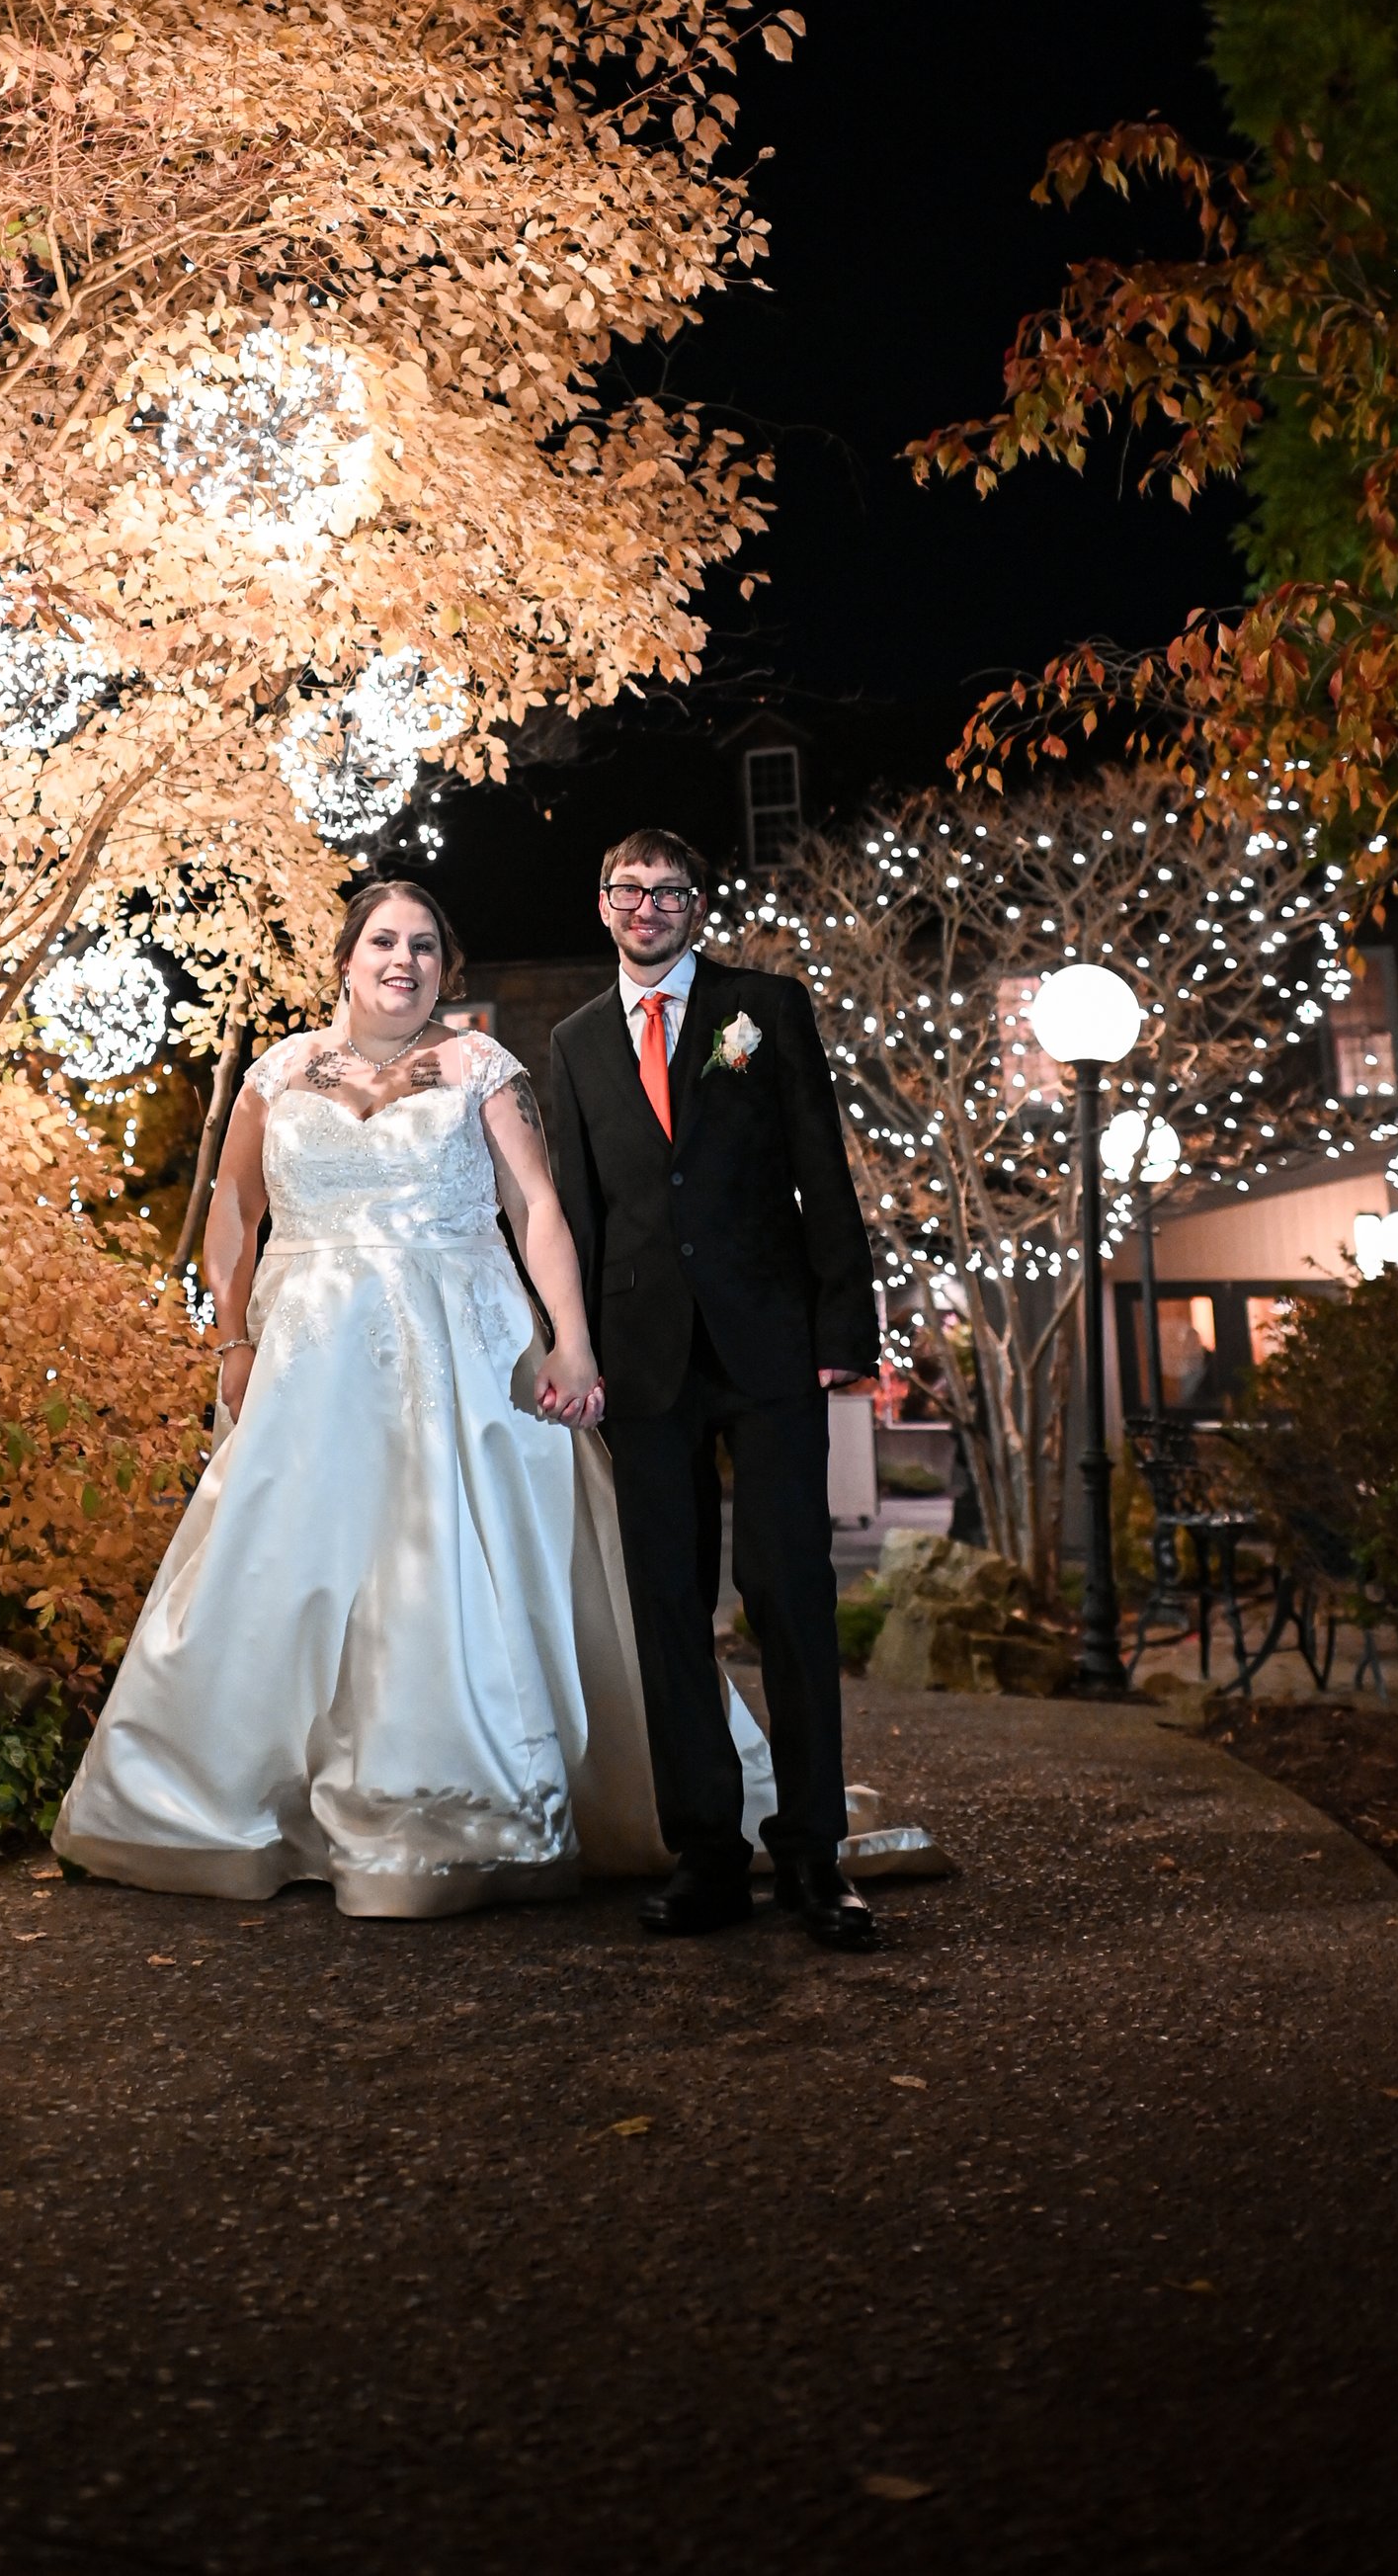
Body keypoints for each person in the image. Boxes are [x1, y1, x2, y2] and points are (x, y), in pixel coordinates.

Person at [54, 876, 773, 1915]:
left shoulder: (481, 1065)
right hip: (309, 1354)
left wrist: (570, 1341)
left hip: (465, 1349)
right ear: (344, 958)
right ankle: (235, 1804)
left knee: (452, 1562)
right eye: (384, 941)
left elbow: (535, 1209)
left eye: (426, 946)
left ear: (447, 968)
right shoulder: (277, 1069)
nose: (404, 960)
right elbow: (233, 1208)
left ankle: (466, 1804)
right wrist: (230, 1339)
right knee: (288, 1562)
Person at [546, 826, 879, 1947]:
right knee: (667, 1611)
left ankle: (815, 1854)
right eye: (627, 888)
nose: (647, 907)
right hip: (643, 1363)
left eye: (668, 890)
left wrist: (844, 1325)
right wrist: (575, 1348)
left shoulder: (763, 1009)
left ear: (698, 903)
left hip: (771, 1346)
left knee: (790, 1595)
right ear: (601, 903)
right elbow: (576, 1214)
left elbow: (818, 1167)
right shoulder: (576, 1040)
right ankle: (705, 1851)